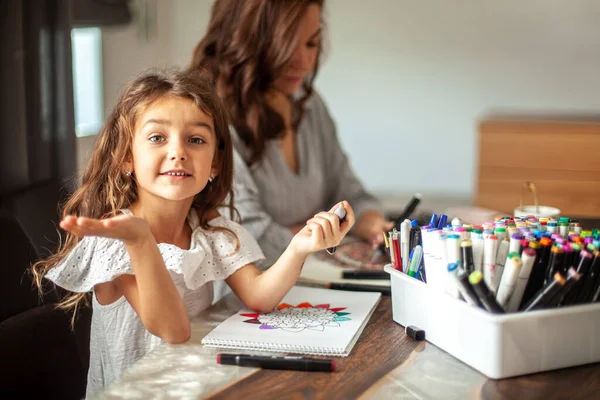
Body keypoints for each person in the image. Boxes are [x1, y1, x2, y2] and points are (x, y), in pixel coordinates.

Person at [31, 68, 354, 397]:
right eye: (158, 138)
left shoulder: (210, 230)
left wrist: (299, 248)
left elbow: (260, 296)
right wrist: (141, 241)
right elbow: (173, 330)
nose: (178, 152)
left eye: (196, 140)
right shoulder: (117, 238)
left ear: (215, 163)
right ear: (126, 157)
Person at [189, 0, 392, 267]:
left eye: (311, 44)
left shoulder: (308, 105)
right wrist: (326, 235)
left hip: (308, 280)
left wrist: (374, 225)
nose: (304, 63)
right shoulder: (207, 117)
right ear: (243, 40)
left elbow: (348, 193)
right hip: (242, 296)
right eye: (284, 46)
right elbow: (247, 238)